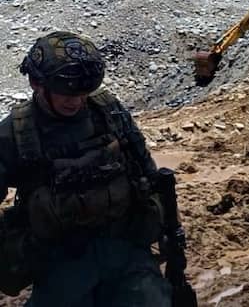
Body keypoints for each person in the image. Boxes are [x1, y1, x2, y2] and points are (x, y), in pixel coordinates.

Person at [0, 31, 171, 306]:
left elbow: (145, 169)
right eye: (66, 93)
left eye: (83, 93)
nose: (76, 101)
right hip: (61, 263)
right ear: (36, 83)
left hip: (125, 251)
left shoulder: (108, 111)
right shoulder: (17, 133)